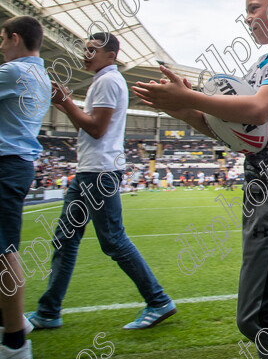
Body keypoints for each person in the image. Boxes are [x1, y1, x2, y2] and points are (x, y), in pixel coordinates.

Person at [133, 0, 268, 358]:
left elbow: (258, 109)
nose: (248, 19)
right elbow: (233, 133)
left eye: (253, 9)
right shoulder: (262, 65)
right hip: (264, 191)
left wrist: (190, 95)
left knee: (256, 317)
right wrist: (180, 107)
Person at [26, 33, 176, 331]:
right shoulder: (103, 80)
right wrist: (65, 104)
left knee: (113, 241)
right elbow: (91, 126)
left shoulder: (108, 81)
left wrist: (66, 102)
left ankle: (158, 301)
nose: (86, 54)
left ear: (111, 55)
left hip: (98, 174)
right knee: (65, 240)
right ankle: (48, 310)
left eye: (93, 50)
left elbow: (96, 129)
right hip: (89, 172)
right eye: (85, 49)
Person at [0, 16, 51, 359]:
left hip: (6, 164)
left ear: (15, 38)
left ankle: (16, 341)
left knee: (4, 250)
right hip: (16, 164)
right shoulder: (41, 75)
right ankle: (13, 323)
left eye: (2, 39)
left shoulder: (14, 72)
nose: (0, 46)